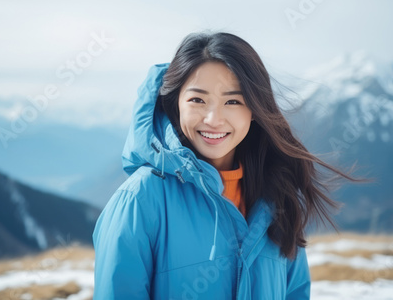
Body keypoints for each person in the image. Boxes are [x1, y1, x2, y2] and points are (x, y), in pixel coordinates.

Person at [93, 32, 354, 299]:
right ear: (176, 105)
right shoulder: (140, 200)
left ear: (254, 110)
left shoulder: (278, 201)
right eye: (197, 99)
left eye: (233, 101)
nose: (213, 119)